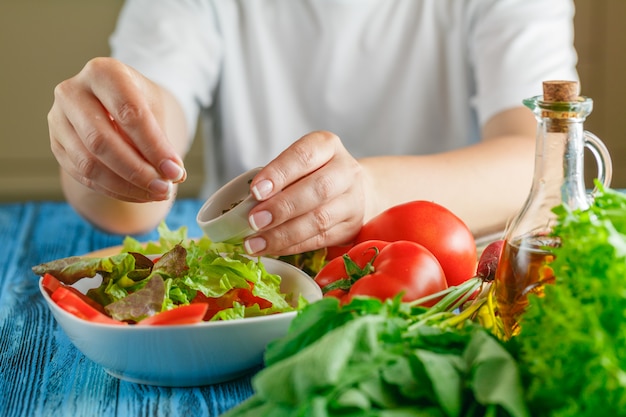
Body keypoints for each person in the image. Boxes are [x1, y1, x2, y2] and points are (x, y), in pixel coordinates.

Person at [47, 0, 579, 257]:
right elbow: (129, 202)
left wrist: (369, 193)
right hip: (256, 293)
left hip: (445, 286)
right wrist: (100, 143)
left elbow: (543, 158)